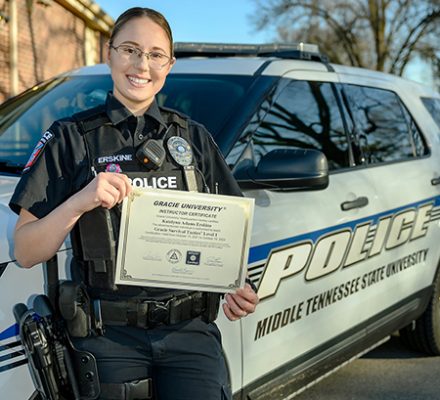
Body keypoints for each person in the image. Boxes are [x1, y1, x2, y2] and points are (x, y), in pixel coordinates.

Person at [9, 7, 258, 400]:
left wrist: (239, 284)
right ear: (109, 53)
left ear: (169, 65)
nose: (142, 65)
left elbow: (229, 235)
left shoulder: (194, 139)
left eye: (156, 54)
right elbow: (25, 251)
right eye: (130, 50)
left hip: (190, 335)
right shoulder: (70, 139)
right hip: (107, 337)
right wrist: (80, 201)